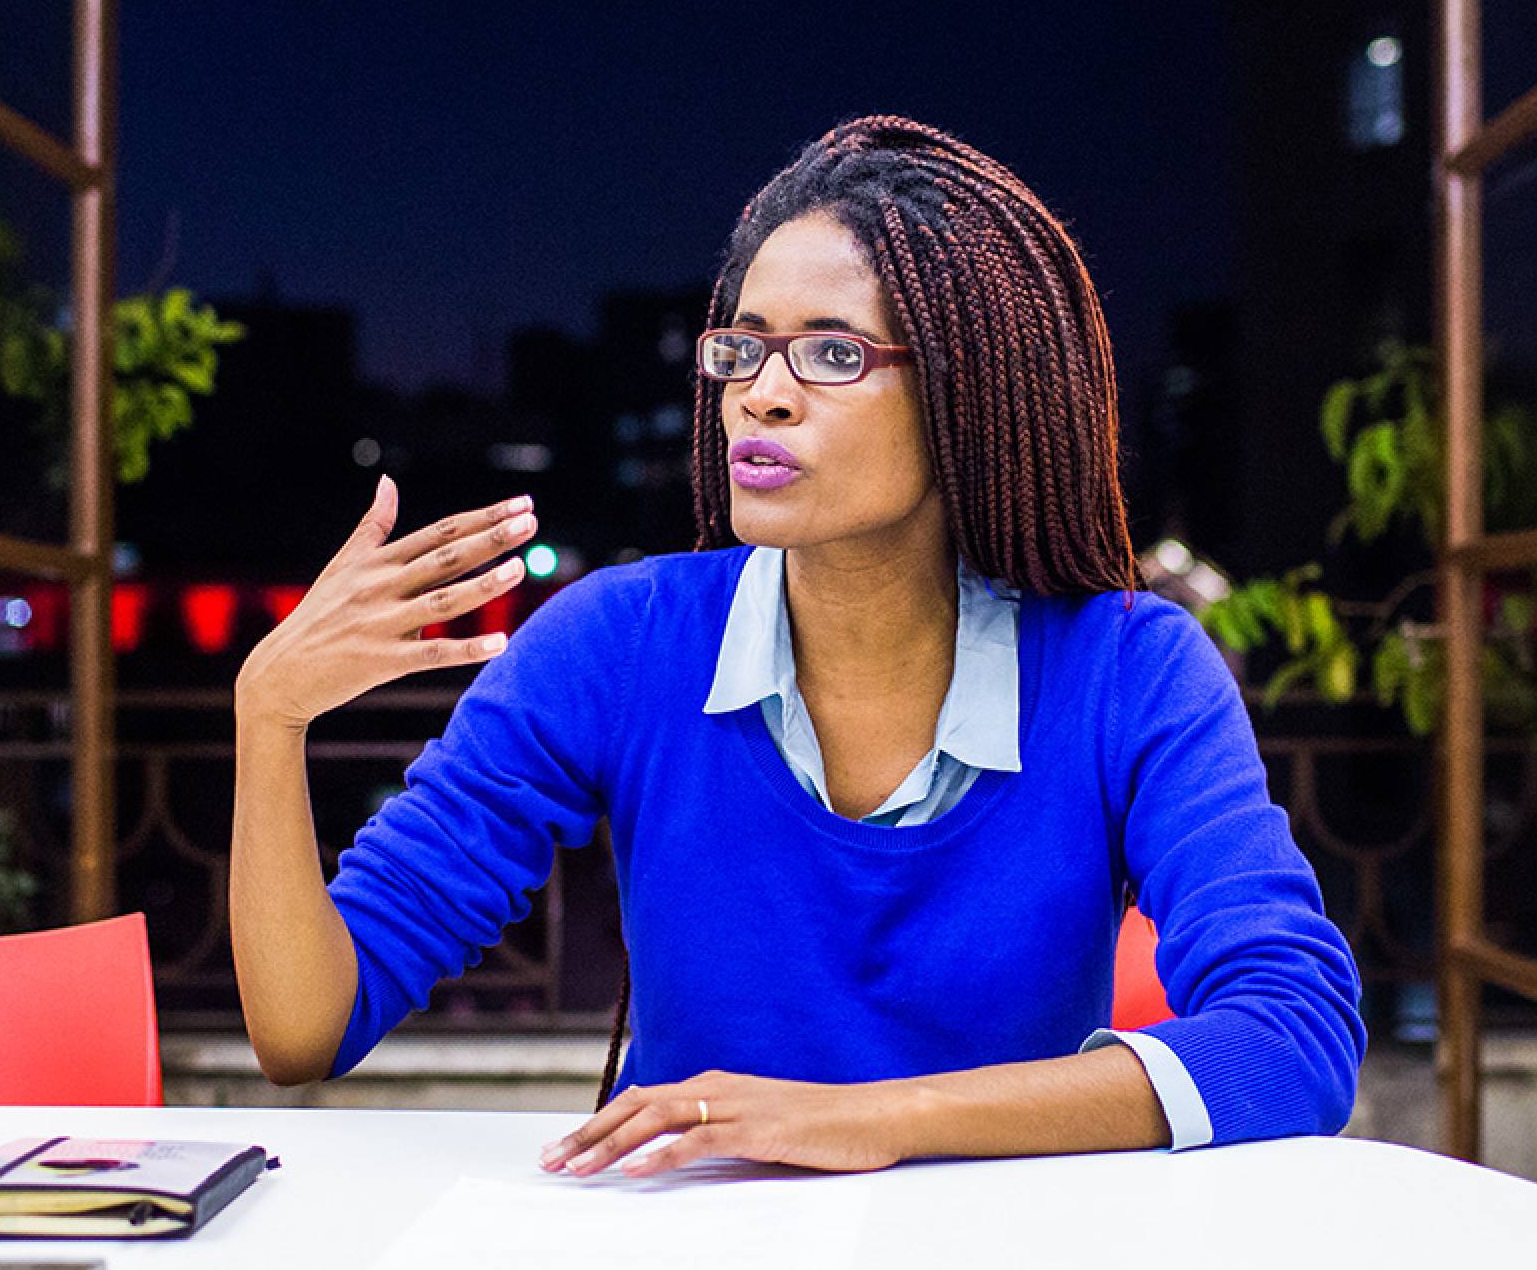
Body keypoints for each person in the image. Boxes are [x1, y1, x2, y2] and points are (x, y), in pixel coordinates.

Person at [229, 115, 1364, 1180]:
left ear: (969, 393)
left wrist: (873, 1120)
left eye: (829, 355)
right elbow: (305, 1030)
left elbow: (1292, 1037)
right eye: (743, 351)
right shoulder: (615, 645)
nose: (759, 398)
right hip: (695, 1236)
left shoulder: (1128, 669)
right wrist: (269, 713)